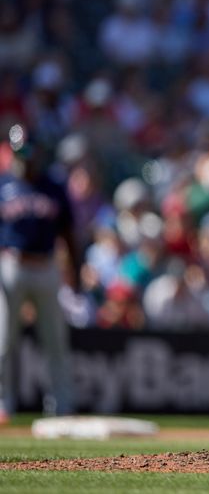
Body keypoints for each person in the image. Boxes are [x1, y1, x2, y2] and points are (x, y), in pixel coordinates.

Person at [0, 124, 81, 424]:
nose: (25, 158)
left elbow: (70, 234)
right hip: (12, 265)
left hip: (46, 266)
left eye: (29, 152)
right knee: (4, 340)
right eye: (19, 152)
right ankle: (3, 404)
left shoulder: (53, 186)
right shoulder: (4, 184)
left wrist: (77, 273)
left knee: (55, 341)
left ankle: (61, 406)